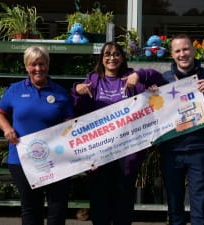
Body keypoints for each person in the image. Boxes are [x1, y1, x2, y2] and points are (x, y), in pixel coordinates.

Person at [71, 41, 166, 225]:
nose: (112, 58)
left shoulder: (131, 77)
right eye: (107, 54)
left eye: (116, 54)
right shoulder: (93, 79)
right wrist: (77, 91)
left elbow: (160, 80)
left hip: (126, 153)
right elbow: (77, 111)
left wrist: (140, 74)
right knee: (99, 206)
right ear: (102, 59)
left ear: (122, 57)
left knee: (123, 206)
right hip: (99, 152)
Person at [0, 45, 74, 225]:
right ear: (26, 66)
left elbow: (69, 121)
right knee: (30, 207)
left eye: (42, 64)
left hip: (56, 158)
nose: (38, 69)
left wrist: (61, 130)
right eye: (33, 64)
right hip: (22, 160)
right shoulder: (15, 89)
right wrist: (7, 129)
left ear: (48, 65)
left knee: (57, 207)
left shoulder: (60, 92)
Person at [159, 34, 204, 225]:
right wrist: (151, 94)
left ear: (194, 50)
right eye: (178, 51)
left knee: (199, 208)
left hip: (200, 150)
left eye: (186, 49)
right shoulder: (163, 80)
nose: (183, 54)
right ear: (172, 55)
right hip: (171, 152)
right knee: (174, 208)